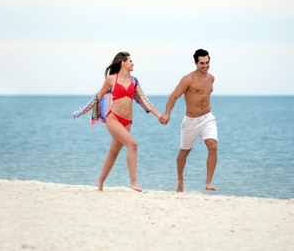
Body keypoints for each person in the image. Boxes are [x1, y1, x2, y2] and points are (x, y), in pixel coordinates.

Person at [73, 51, 164, 192]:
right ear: (123, 63)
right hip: (114, 118)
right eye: (130, 61)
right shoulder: (111, 79)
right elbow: (97, 98)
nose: (133, 63)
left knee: (113, 153)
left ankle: (100, 180)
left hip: (127, 122)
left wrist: (159, 116)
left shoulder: (134, 81)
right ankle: (133, 182)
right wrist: (81, 111)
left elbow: (144, 100)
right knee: (132, 145)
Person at [160, 49, 218, 192]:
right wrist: (167, 113)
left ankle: (208, 182)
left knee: (213, 146)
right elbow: (173, 97)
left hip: (207, 118)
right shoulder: (188, 79)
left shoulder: (211, 78)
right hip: (191, 121)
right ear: (195, 63)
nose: (205, 66)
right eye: (202, 63)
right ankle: (180, 180)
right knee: (184, 152)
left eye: (207, 62)